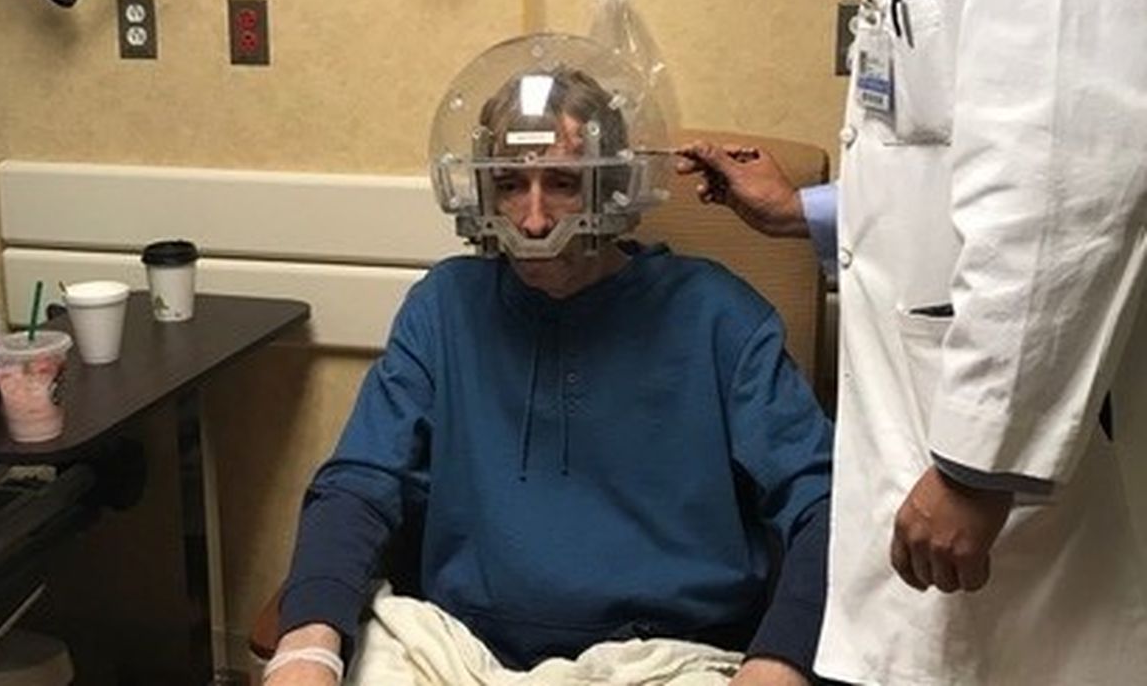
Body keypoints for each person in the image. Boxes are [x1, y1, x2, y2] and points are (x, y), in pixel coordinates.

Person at [680, 0, 1147, 683]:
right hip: (951, 479)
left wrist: (979, 466)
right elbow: (943, 149)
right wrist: (806, 212)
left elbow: (1069, 169)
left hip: (1012, 486)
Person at [265, 35, 834, 686]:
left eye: (562, 183)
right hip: (461, 652)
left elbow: (824, 502)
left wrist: (780, 661)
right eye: (511, 185)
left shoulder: (718, 318)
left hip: (664, 659)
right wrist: (306, 646)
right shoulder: (444, 307)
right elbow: (360, 486)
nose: (534, 221)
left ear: (614, 186)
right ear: (480, 192)